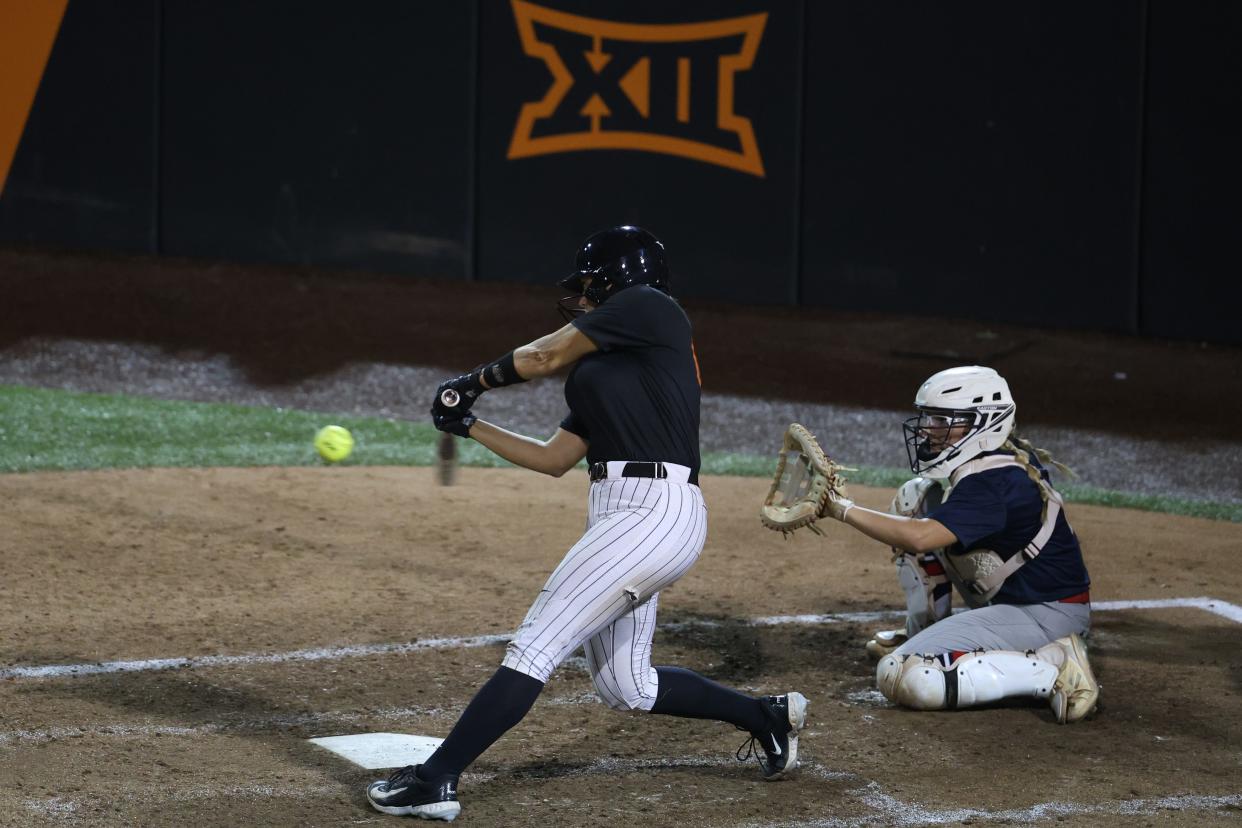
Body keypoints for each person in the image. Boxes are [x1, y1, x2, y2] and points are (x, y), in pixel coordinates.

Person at [366, 225, 807, 821]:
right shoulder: (618, 366)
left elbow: (543, 354)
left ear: (624, 280)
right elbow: (554, 458)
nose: (584, 295)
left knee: (534, 648)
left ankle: (436, 779)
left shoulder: (651, 308)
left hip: (651, 513)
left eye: (594, 283)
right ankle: (766, 717)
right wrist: (469, 426)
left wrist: (472, 382)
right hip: (629, 514)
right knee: (627, 686)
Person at [819, 366, 1099, 723]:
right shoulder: (991, 463)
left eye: (942, 420)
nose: (929, 429)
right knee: (915, 499)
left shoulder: (993, 484)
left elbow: (919, 537)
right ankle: (925, 631)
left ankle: (1054, 666)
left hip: (1045, 616)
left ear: (983, 424)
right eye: (929, 417)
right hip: (1015, 602)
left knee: (903, 674)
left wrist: (841, 509)